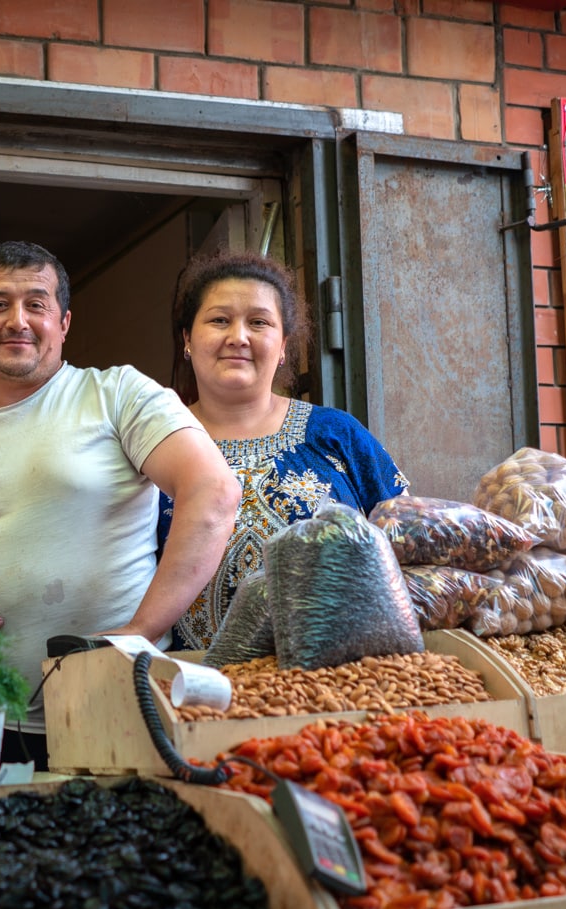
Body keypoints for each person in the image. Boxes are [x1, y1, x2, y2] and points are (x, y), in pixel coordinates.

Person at [0, 240, 238, 765]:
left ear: (64, 322)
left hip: (118, 708)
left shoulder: (118, 395)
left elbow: (213, 492)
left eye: (37, 304)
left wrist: (136, 635)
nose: (17, 321)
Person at [161, 250, 406, 649]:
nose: (238, 336)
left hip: (341, 683)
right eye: (219, 320)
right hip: (191, 687)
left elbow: (408, 545)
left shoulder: (337, 435)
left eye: (258, 322)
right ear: (187, 338)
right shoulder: (152, 443)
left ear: (283, 346)